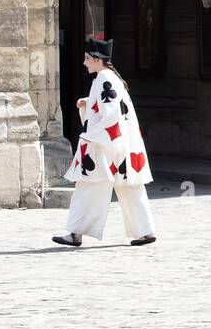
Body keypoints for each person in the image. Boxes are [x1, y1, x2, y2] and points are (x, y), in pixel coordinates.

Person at [53, 37, 156, 248]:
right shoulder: (111, 78)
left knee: (87, 187)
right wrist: (88, 103)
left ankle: (76, 233)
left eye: (87, 58)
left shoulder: (103, 78)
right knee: (130, 187)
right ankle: (145, 231)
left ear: (97, 59)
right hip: (122, 144)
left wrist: (90, 136)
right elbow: (112, 106)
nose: (84, 63)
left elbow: (110, 114)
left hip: (105, 145)